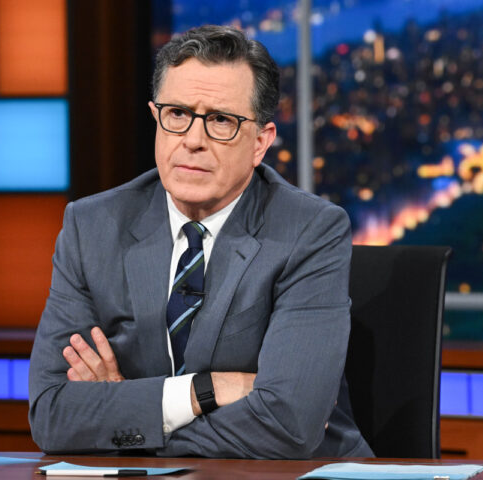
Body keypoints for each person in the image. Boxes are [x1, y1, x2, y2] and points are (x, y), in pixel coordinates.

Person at [28, 25, 373, 459]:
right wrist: (206, 390)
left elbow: (290, 424)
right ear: (156, 118)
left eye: (221, 121)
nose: (193, 140)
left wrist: (129, 423)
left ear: (260, 143)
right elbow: (53, 416)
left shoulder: (309, 231)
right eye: (177, 114)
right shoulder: (92, 227)